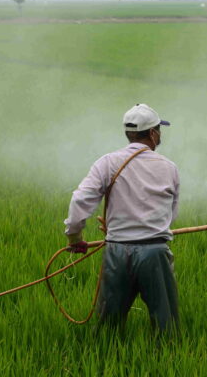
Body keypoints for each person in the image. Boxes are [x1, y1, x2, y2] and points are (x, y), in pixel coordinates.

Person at [63, 103, 180, 334]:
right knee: (166, 327)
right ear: (153, 133)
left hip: (117, 252)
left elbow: (80, 200)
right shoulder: (169, 168)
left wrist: (75, 237)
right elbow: (170, 215)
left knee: (109, 328)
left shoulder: (107, 162)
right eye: (159, 130)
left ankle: (105, 361)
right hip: (155, 252)